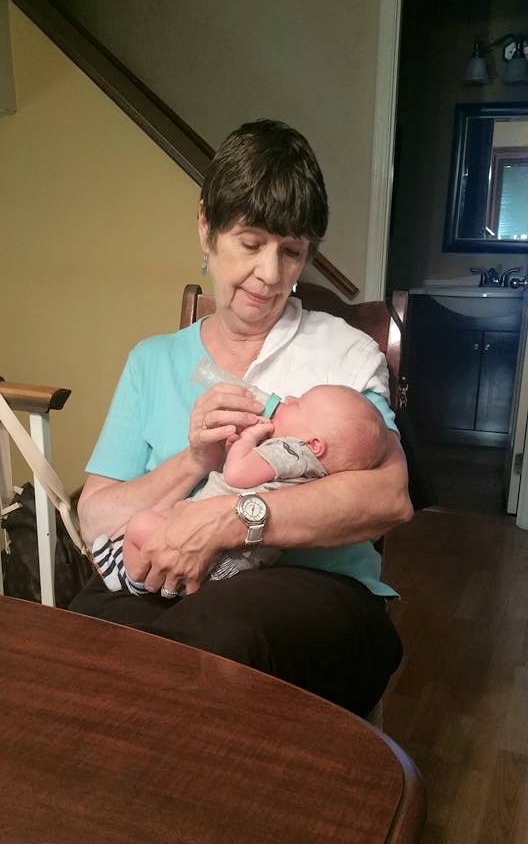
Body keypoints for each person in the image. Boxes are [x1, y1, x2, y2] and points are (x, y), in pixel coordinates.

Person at [72, 118, 412, 717]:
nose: (271, 275)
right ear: (207, 228)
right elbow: (96, 516)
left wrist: (231, 520)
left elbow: (389, 497)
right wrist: (193, 461)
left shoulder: (344, 354)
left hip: (316, 591)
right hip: (163, 581)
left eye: (292, 252)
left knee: (216, 639)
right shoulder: (152, 361)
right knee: (83, 639)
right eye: (251, 243)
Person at [91, 384, 388, 594]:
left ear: (315, 444)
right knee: (161, 519)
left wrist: (248, 439)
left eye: (299, 404)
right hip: (238, 566)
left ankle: (129, 577)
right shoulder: (312, 473)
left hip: (215, 557)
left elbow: (237, 474)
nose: (288, 397)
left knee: (142, 522)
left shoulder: (289, 450)